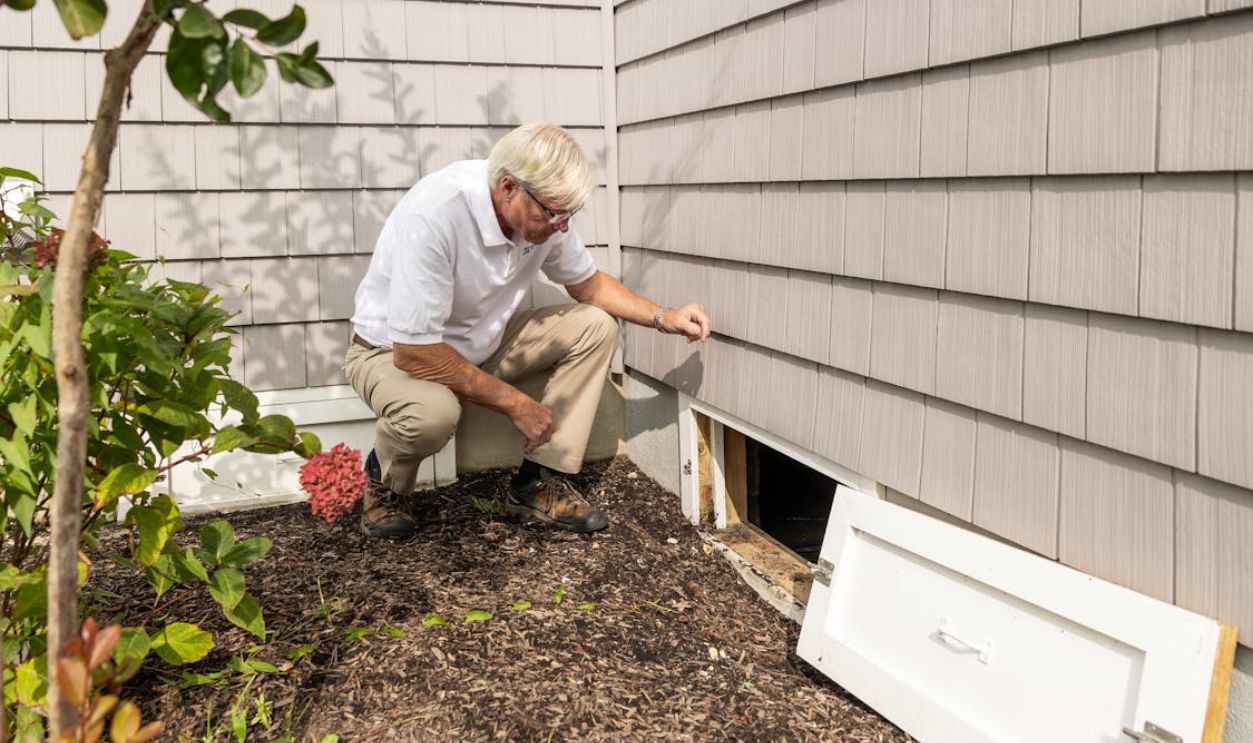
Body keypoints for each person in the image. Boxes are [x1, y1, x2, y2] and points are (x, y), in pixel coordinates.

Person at [345, 122, 711, 539]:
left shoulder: (544, 215)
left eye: (569, 215)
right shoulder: (435, 215)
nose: (562, 226)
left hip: (479, 344)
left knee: (595, 325)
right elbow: (415, 352)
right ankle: (385, 482)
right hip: (390, 353)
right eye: (553, 214)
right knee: (432, 415)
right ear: (508, 188)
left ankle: (537, 484)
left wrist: (664, 316)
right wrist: (517, 404)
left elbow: (589, 286)